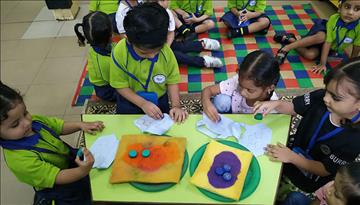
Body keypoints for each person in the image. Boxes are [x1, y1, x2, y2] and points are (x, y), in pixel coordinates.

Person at [253, 57, 360, 195]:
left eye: (335, 98)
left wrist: (292, 157)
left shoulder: (355, 140)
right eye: (327, 90)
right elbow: (294, 107)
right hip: (291, 152)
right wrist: (276, 104)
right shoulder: (320, 97)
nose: (326, 98)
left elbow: (324, 169)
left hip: (307, 179)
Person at [0, 82, 105, 205]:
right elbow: (57, 177)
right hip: (60, 187)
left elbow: (58, 126)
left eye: (25, 113)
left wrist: (79, 125)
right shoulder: (19, 160)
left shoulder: (35, 121)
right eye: (15, 124)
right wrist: (82, 171)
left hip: (69, 162)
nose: (27, 122)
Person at [110, 2, 188, 123]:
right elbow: (120, 86)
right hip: (130, 100)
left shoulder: (166, 52)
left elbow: (172, 81)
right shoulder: (119, 52)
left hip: (159, 98)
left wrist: (176, 106)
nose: (152, 56)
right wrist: (142, 103)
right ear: (129, 40)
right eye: (144, 53)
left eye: (157, 51)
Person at [274, 0, 360, 74]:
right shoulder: (333, 19)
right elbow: (327, 42)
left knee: (310, 55)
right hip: (320, 33)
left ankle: (290, 39)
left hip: (330, 47)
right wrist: (323, 64)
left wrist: (350, 65)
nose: (350, 12)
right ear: (340, 7)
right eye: (347, 7)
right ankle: (286, 48)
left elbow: (356, 47)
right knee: (322, 37)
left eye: (357, 9)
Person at [201, 50, 280, 122]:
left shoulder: (272, 105)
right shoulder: (239, 80)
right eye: (240, 85)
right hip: (232, 114)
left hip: (252, 125)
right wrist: (206, 103)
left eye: (249, 90)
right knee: (221, 101)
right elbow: (208, 90)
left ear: (269, 88)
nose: (242, 92)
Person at [147, 0, 223, 68]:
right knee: (175, 55)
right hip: (149, 47)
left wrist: (166, 48)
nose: (160, 4)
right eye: (156, 1)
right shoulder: (146, 15)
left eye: (163, 0)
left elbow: (170, 33)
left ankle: (202, 44)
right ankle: (202, 61)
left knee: (180, 47)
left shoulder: (167, 12)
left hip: (161, 42)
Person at [74, 11, 117, 102]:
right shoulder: (105, 62)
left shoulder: (96, 45)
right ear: (111, 34)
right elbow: (116, 82)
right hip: (108, 91)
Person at [283, 162, 360, 205]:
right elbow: (317, 201)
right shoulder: (331, 186)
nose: (329, 189)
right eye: (334, 182)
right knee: (294, 196)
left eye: (336, 194)